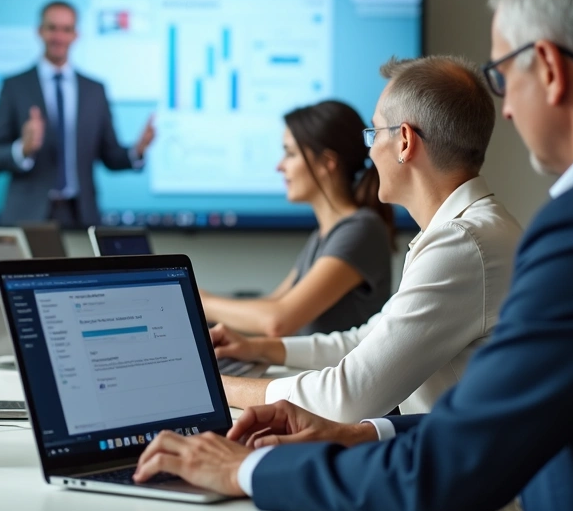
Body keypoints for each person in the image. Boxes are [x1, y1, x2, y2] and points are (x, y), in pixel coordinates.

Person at [132, 0, 573, 511]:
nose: (505, 108)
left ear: (549, 69)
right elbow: (532, 419)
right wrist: (370, 434)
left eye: (504, 73)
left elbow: (455, 469)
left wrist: (245, 468)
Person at [212, 56, 523, 424]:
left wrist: (215, 387)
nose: (370, 151)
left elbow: (346, 398)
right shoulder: (464, 232)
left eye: (374, 134)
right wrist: (259, 348)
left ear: (404, 141)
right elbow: (367, 340)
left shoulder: (461, 243)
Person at [199, 101, 394, 337]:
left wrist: (202, 303)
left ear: (327, 163)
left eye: (290, 154)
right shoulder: (324, 235)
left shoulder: (361, 229)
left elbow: (277, 320)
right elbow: (273, 303)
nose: (279, 166)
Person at [0, 0, 155, 227]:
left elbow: (110, 155)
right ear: (40, 31)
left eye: (67, 29)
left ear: (76, 35)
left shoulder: (95, 90)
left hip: (81, 215)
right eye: (52, 28)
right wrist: (22, 149)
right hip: (27, 215)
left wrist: (137, 150)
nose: (59, 37)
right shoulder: (15, 86)